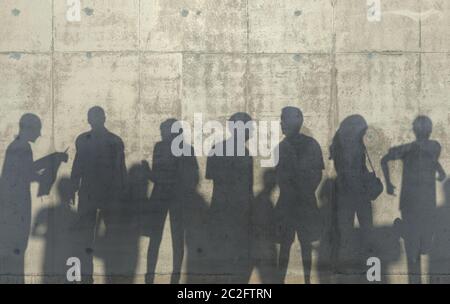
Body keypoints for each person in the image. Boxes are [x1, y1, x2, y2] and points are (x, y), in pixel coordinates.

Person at [0, 113, 67, 283]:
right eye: (37, 129)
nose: (39, 134)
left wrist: (53, 159)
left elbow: (26, 171)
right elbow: (28, 173)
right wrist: (53, 161)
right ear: (28, 128)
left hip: (11, 207)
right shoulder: (22, 147)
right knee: (16, 250)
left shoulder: (17, 146)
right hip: (15, 208)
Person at [381, 115, 446, 284]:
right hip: (410, 203)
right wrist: (387, 184)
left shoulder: (429, 147)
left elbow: (432, 160)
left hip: (426, 202)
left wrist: (441, 172)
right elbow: (384, 160)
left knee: (425, 246)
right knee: (413, 251)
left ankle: (400, 228)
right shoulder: (411, 149)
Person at [70, 106, 127, 283]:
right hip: (103, 194)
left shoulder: (85, 140)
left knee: (89, 236)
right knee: (102, 236)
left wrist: (73, 187)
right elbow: (121, 171)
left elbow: (77, 166)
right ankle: (102, 276)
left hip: (92, 194)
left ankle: (90, 277)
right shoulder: (114, 140)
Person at [143, 119, 198, 284]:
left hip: (163, 196)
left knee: (160, 237)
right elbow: (191, 178)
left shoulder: (161, 148)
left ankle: (151, 276)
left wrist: (148, 172)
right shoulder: (186, 149)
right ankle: (172, 277)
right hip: (175, 197)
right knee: (175, 238)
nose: (161, 133)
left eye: (163, 130)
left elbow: (158, 176)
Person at [275, 106, 324, 284]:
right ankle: (306, 281)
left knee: (288, 246)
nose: (280, 123)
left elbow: (280, 177)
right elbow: (318, 174)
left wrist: (297, 191)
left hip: (290, 203)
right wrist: (306, 190)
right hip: (303, 202)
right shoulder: (311, 144)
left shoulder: (282, 147)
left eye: (283, 119)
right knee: (304, 245)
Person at [206, 112, 254, 283]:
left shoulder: (216, 148)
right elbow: (247, 187)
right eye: (249, 127)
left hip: (220, 206)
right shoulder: (246, 153)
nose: (252, 131)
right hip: (240, 210)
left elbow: (211, 176)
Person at [329, 115, 373, 273]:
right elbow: (352, 170)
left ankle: (344, 265)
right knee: (360, 229)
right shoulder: (351, 145)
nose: (364, 131)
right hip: (355, 192)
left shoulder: (340, 143)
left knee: (346, 229)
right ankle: (356, 265)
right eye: (363, 128)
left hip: (347, 192)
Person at [32, 177, 80, 283]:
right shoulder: (75, 215)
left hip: (54, 257)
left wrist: (49, 235)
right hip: (67, 257)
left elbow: (34, 233)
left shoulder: (45, 211)